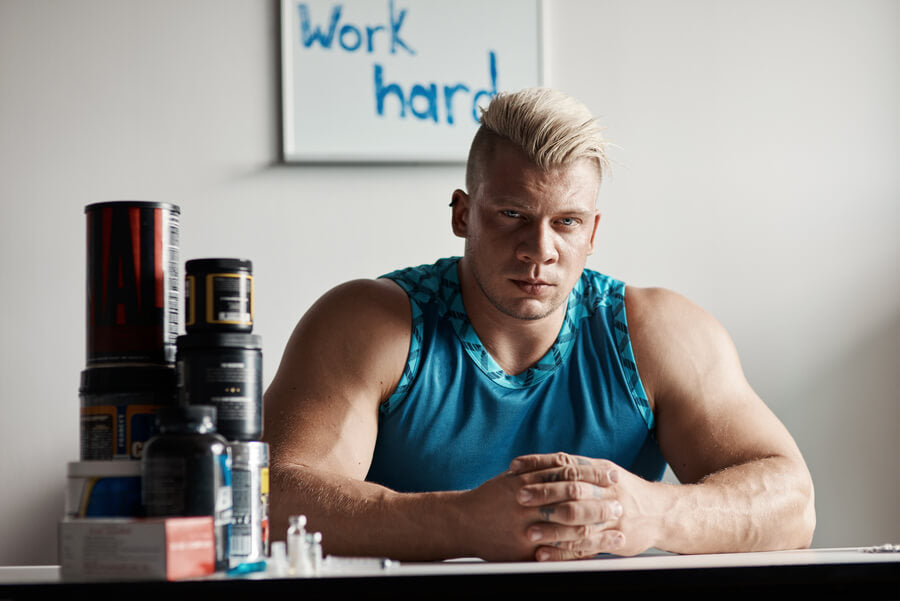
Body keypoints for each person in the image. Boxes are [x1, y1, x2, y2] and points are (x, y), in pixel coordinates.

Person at [262, 87, 815, 561]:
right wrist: (463, 522)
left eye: (566, 222)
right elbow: (274, 496)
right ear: (462, 213)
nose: (540, 250)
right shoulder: (369, 323)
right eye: (512, 216)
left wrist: (647, 511)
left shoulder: (658, 334)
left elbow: (793, 505)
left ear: (592, 233)